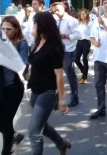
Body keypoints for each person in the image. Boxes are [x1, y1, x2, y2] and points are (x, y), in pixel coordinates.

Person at [27, 12, 71, 154]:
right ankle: (61, 143)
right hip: (35, 90)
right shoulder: (38, 41)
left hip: (48, 92)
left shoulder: (53, 48)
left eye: (35, 23)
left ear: (42, 26)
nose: (33, 25)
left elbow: (59, 76)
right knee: (41, 125)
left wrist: (62, 101)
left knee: (34, 132)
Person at [0, 16, 28, 155]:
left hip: (14, 87)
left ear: (16, 29)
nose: (5, 32)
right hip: (0, 87)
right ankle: (14, 135)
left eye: (9, 29)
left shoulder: (21, 43)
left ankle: (6, 151)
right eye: (2, 29)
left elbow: (23, 64)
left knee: (6, 121)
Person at [51, 1, 81, 108]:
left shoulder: (72, 21)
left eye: (58, 10)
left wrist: (63, 36)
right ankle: (56, 98)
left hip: (68, 50)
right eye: (54, 11)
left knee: (69, 74)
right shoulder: (55, 20)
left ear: (64, 8)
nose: (56, 12)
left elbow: (78, 35)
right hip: (56, 50)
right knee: (55, 75)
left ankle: (75, 97)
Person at [75, 8, 93, 84]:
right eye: (81, 14)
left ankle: (84, 77)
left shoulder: (90, 23)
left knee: (85, 59)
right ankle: (84, 71)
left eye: (84, 13)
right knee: (76, 58)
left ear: (87, 14)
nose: (82, 15)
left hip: (87, 42)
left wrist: (92, 46)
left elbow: (93, 34)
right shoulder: (79, 23)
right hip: (79, 42)